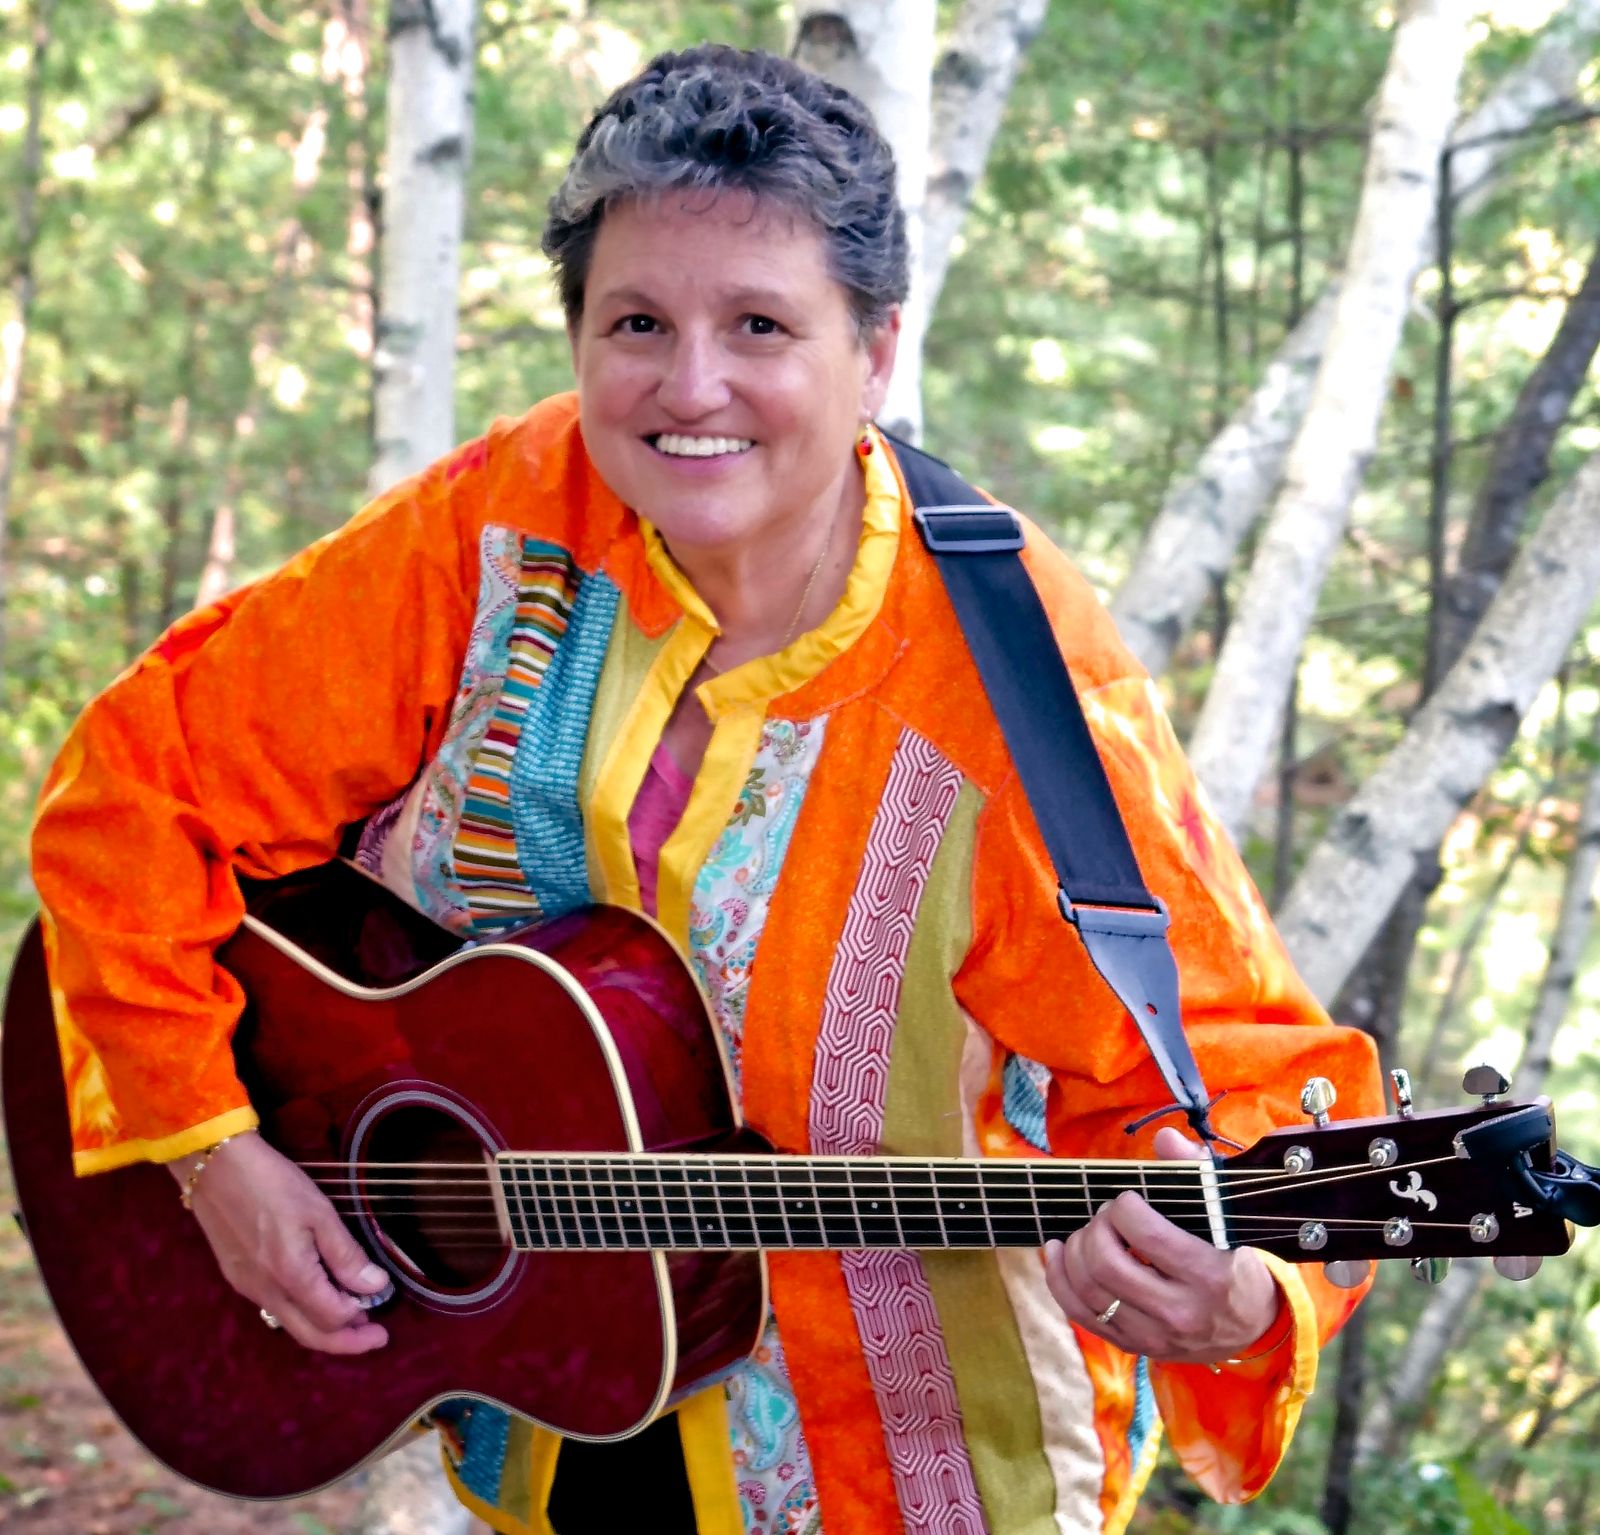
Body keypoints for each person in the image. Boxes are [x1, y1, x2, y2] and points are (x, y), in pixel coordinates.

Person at [30, 42, 1383, 1535]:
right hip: (549, 1421)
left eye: (760, 324)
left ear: (874, 349)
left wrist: (1242, 1287)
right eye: (637, 323)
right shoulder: (503, 525)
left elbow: (1231, 1068)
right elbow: (141, 787)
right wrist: (213, 1150)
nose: (690, 387)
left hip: (909, 1472)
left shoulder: (1017, 675)